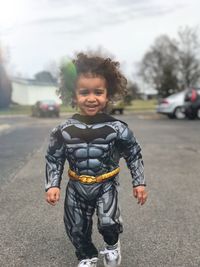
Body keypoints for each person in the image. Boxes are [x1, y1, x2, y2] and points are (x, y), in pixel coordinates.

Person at [45, 53, 147, 267]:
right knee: (75, 228)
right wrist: (52, 184)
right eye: (84, 92)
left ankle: (112, 245)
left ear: (108, 93)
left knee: (108, 223)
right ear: (73, 94)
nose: (91, 98)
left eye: (98, 92)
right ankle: (87, 256)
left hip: (105, 184)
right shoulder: (63, 130)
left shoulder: (118, 128)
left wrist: (139, 182)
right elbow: (54, 157)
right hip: (76, 185)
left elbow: (133, 154)